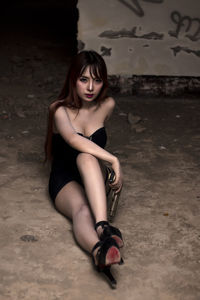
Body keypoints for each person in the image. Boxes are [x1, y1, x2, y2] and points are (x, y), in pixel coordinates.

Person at [45, 50, 124, 287]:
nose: (91, 87)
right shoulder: (58, 109)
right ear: (73, 79)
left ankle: (102, 226)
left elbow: (90, 150)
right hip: (65, 180)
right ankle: (99, 248)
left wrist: (108, 168)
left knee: (88, 159)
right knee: (82, 209)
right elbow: (73, 139)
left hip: (94, 179)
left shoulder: (107, 105)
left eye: (97, 80)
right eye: (84, 79)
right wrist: (114, 160)